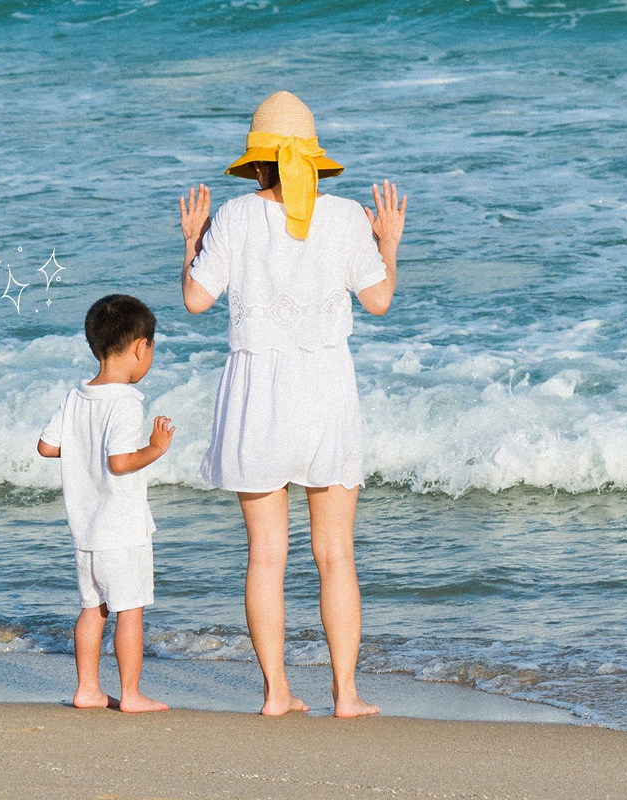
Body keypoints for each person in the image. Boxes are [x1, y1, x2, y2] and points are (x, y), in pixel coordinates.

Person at [179, 91, 406, 717]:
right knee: (335, 554)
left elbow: (196, 301)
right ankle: (346, 693)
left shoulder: (232, 217)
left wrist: (193, 242)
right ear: (313, 158)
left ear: (256, 166)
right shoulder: (341, 220)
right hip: (325, 392)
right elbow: (380, 301)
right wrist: (387, 242)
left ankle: (276, 693)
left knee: (266, 554)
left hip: (256, 397)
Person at [37, 294, 174, 713]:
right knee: (129, 611)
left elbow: (46, 447)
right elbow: (120, 461)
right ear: (140, 347)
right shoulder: (126, 402)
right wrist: (155, 448)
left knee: (91, 609)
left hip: (85, 533)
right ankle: (130, 694)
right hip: (122, 528)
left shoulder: (77, 396)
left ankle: (88, 689)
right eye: (151, 349)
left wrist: (82, 450)